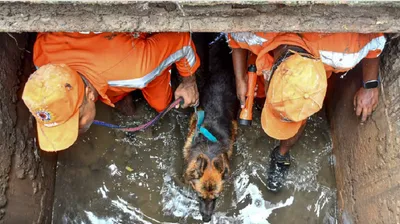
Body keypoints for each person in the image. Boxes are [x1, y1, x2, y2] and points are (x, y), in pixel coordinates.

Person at [228, 32, 386, 192]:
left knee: (295, 115)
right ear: (271, 71)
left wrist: (370, 85)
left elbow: (376, 42)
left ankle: (281, 156)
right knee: (259, 94)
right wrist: (240, 78)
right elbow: (234, 34)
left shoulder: (344, 55)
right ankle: (266, 104)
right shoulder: (256, 34)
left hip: (319, 53)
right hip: (273, 46)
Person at [22, 32, 200, 152]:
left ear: (90, 95)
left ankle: (137, 85)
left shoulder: (137, 71)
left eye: (78, 122)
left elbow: (182, 41)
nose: (79, 129)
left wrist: (189, 82)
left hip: (129, 52)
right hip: (108, 54)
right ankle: (122, 96)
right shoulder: (42, 61)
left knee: (160, 104)